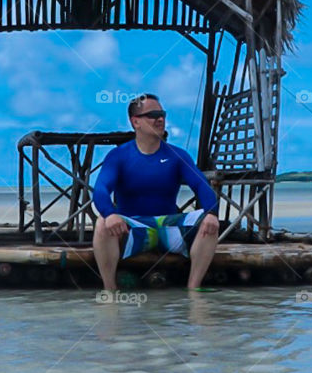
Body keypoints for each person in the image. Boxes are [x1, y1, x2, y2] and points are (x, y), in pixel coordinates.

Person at [92, 93, 220, 290]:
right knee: (102, 223)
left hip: (168, 227)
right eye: (153, 115)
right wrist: (110, 214)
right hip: (134, 228)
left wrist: (211, 212)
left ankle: (194, 291)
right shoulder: (118, 156)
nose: (160, 119)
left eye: (162, 114)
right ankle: (110, 292)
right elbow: (100, 189)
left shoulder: (177, 155)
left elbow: (202, 185)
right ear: (136, 122)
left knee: (209, 221)